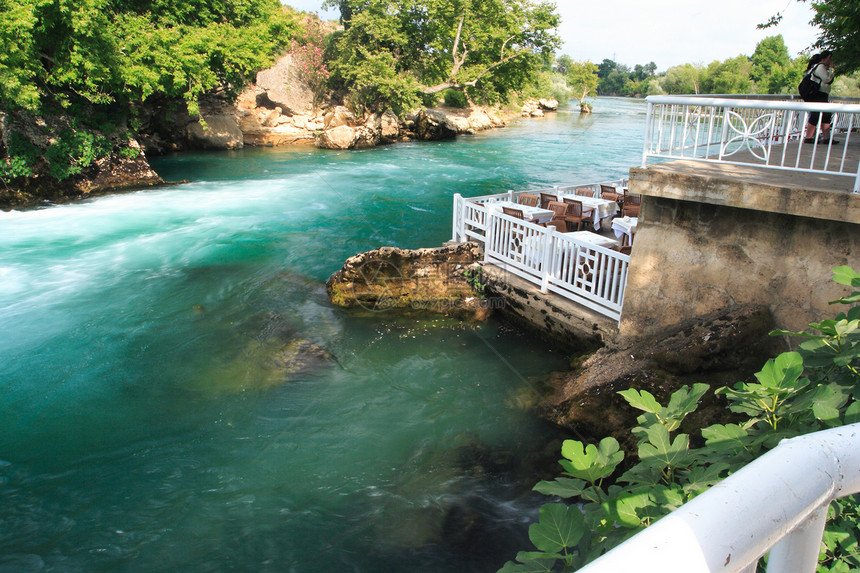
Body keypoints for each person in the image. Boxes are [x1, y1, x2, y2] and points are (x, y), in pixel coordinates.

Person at [802, 51, 838, 144]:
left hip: (822, 94)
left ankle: (826, 138)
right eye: (831, 59)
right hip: (819, 94)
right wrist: (831, 70)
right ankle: (809, 137)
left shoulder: (820, 67)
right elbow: (827, 79)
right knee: (816, 114)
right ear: (828, 57)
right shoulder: (820, 66)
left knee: (826, 114)